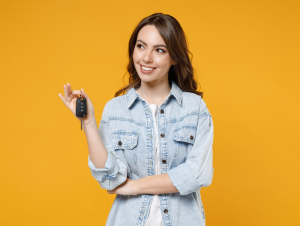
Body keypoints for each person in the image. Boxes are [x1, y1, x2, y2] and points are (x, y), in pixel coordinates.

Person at [58, 13, 214, 226]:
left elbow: (197, 174)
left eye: (159, 50)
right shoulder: (116, 109)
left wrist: (133, 186)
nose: (146, 58)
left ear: (175, 57)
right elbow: (110, 178)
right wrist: (88, 122)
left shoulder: (194, 109)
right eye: (141, 46)